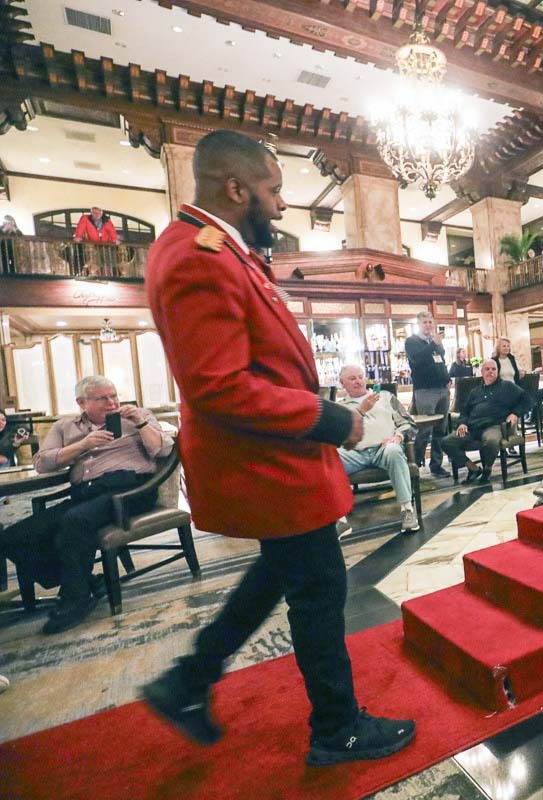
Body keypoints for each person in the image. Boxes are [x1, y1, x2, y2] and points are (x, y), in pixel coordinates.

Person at [141, 130, 415, 765]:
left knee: (286, 571)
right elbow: (218, 385)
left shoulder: (217, 249)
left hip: (275, 458)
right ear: (236, 189)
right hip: (265, 460)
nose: (283, 206)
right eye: (274, 190)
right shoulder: (196, 257)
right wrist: (328, 417)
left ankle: (189, 678)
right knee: (318, 586)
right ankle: (337, 730)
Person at [0, 376, 171, 635]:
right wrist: (83, 445)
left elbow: (164, 451)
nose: (113, 402)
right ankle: (82, 580)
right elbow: (42, 463)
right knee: (13, 536)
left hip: (130, 490)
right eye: (103, 398)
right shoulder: (65, 426)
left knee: (76, 521)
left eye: (114, 395)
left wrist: (141, 422)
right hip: (87, 494)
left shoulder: (138, 417)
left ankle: (75, 598)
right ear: (82, 403)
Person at [335, 365, 419, 533]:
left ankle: (407, 509)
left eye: (360, 377)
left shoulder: (385, 397)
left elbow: (409, 424)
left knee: (394, 450)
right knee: (328, 459)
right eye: (352, 379)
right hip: (354, 453)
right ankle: (340, 519)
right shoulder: (339, 407)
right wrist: (360, 411)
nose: (358, 381)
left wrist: (398, 437)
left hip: (384, 448)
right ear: (342, 384)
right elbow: (336, 435)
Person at [441, 359, 532, 482]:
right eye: (487, 369)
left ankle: (487, 469)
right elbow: (465, 412)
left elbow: (527, 399)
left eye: (493, 369)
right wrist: (462, 423)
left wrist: (515, 414)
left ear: (498, 371)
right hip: (472, 428)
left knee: (491, 441)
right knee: (447, 442)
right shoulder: (475, 392)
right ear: (482, 372)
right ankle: (473, 468)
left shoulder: (507, 386)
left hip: (494, 426)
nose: (490, 372)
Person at [406, 310, 451, 478]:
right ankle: (415, 465)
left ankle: (436, 465)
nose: (428, 325)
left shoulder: (436, 343)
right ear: (419, 324)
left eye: (430, 322)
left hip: (442, 390)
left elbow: (440, 362)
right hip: (425, 391)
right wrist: (433, 344)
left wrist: (446, 378)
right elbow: (417, 360)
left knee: (441, 430)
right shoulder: (412, 341)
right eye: (425, 322)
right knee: (424, 431)